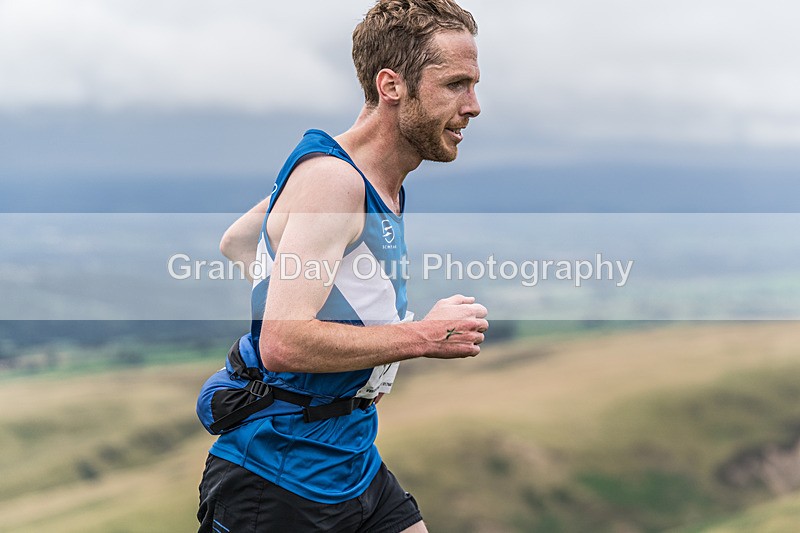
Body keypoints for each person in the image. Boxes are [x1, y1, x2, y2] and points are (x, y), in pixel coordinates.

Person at [197, 1, 486, 531]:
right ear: (391, 86)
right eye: (456, 85)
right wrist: (422, 336)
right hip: (279, 476)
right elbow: (281, 343)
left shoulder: (365, 179)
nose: (474, 105)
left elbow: (238, 241)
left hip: (350, 458)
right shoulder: (334, 180)